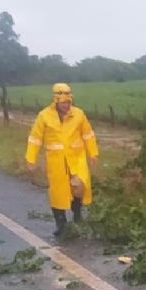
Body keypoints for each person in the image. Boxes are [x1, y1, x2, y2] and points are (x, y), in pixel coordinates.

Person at [25, 83, 99, 236]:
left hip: (76, 159)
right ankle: (61, 224)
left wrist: (93, 153)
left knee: (79, 188)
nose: (67, 105)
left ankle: (78, 217)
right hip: (56, 162)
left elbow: (88, 134)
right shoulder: (44, 116)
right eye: (64, 103)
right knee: (58, 193)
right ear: (56, 101)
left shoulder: (78, 114)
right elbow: (35, 138)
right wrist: (30, 159)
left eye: (69, 102)